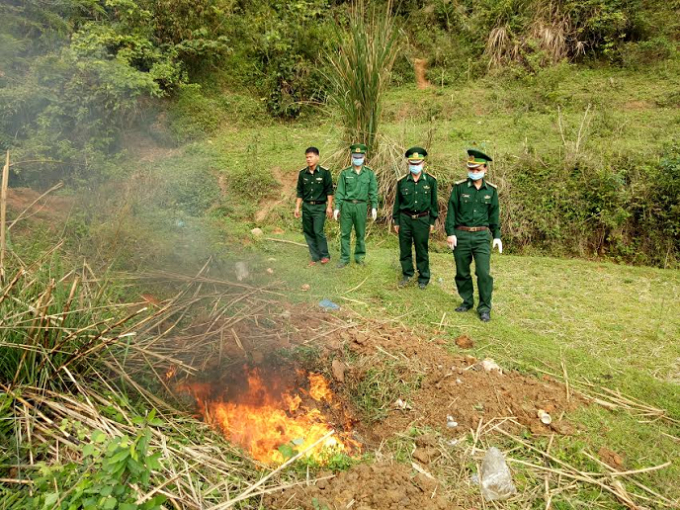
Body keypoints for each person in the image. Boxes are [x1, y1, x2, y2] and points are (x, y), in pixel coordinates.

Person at [445, 149, 502, 322]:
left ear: (485, 169)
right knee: (462, 272)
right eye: (471, 169)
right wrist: (451, 233)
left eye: (477, 170)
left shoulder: (491, 191)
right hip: (461, 235)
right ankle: (467, 301)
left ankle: (484, 308)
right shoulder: (459, 188)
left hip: (482, 237)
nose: (474, 173)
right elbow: (451, 213)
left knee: (483, 273)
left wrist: (497, 236)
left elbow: (494, 215)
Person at [393, 146, 438, 289]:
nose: (415, 166)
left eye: (418, 163)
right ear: (408, 164)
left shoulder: (430, 181)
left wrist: (432, 221)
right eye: (412, 163)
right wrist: (396, 221)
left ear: (423, 163)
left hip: (422, 219)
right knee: (405, 249)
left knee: (422, 249)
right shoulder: (402, 182)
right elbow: (397, 203)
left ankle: (423, 277)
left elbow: (433, 203)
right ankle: (407, 274)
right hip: (405, 219)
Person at [333, 143, 378, 268]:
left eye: (360, 156)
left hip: (361, 206)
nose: (357, 159)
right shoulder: (345, 173)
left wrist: (374, 206)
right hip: (347, 206)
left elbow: (373, 191)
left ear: (364, 157)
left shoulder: (369, 173)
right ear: (352, 156)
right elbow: (340, 191)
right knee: (345, 233)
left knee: (360, 234)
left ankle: (360, 257)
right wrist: (337, 207)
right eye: (355, 156)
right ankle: (344, 258)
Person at [295, 147, 334, 265]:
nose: (308, 159)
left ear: (317, 157)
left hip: (319, 207)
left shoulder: (325, 172)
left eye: (311, 157)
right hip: (306, 207)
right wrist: (297, 207)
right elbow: (300, 192)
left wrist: (329, 207)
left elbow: (329, 191)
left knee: (318, 231)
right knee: (308, 232)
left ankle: (324, 255)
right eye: (307, 157)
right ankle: (315, 256)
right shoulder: (303, 174)